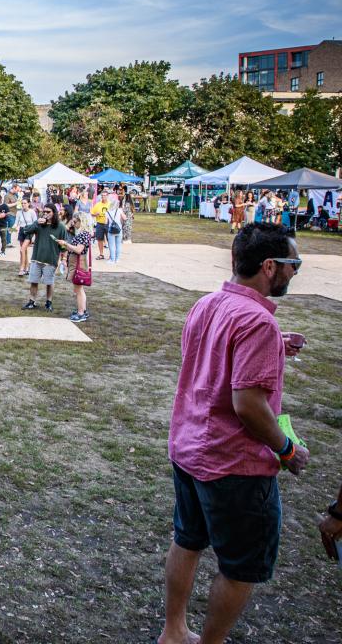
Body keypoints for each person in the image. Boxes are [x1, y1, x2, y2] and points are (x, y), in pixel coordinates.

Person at [159, 222, 308, 644]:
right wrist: (287, 449)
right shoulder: (256, 321)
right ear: (268, 266)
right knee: (240, 566)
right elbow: (248, 406)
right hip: (233, 464)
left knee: (187, 541)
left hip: (189, 448)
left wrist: (275, 341)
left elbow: (213, 355)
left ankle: (173, 631)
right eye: (292, 264)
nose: (294, 272)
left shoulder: (207, 304)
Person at [18, 204, 67, 312]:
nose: (45, 214)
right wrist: (36, 222)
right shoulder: (39, 224)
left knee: (49, 282)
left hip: (51, 259)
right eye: (44, 211)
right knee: (34, 281)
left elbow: (64, 245)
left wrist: (63, 259)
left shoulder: (61, 227)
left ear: (54, 213)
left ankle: (48, 302)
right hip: (36, 258)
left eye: (48, 212)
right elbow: (26, 230)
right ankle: (32, 302)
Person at [57, 213, 93, 323]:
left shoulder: (84, 234)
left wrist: (66, 244)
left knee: (78, 290)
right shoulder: (82, 234)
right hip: (76, 262)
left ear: (81, 221)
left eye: (75, 221)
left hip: (79, 263)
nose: (73, 223)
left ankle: (81, 313)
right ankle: (83, 310)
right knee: (78, 289)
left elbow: (78, 250)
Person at [16, 199, 39, 277]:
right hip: (21, 231)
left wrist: (35, 235)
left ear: (28, 203)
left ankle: (21, 269)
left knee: (22, 250)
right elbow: (16, 223)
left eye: (25, 203)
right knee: (24, 251)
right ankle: (27, 268)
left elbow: (36, 223)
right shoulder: (19, 212)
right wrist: (12, 229)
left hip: (29, 231)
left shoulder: (32, 212)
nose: (23, 205)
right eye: (22, 203)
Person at [105, 195, 125, 263]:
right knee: (118, 245)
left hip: (111, 230)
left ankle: (112, 260)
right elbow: (124, 218)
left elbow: (105, 222)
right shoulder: (119, 210)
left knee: (111, 245)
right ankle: (117, 259)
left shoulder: (107, 212)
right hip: (119, 229)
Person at [91, 192, 110, 260]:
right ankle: (101, 254)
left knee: (109, 239)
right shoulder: (97, 204)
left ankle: (111, 255)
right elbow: (92, 214)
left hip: (108, 224)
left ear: (107, 196)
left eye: (104, 195)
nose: (103, 197)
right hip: (99, 223)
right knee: (100, 239)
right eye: (102, 196)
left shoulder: (110, 204)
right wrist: (96, 214)